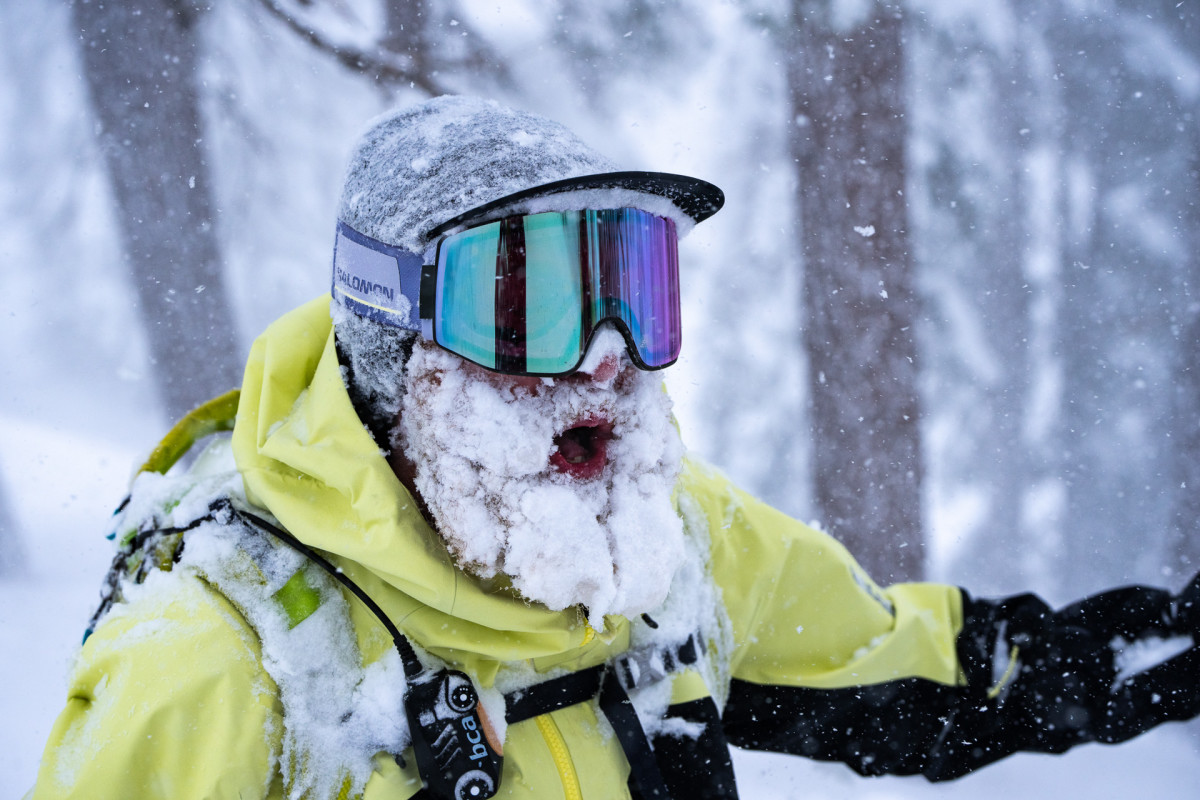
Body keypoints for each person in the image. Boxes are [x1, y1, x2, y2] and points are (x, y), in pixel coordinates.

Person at [29, 95, 1200, 800]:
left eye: (634, 287)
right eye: (535, 298)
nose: (605, 356)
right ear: (401, 342)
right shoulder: (224, 660)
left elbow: (898, 662)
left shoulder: (663, 542)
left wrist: (1135, 656)